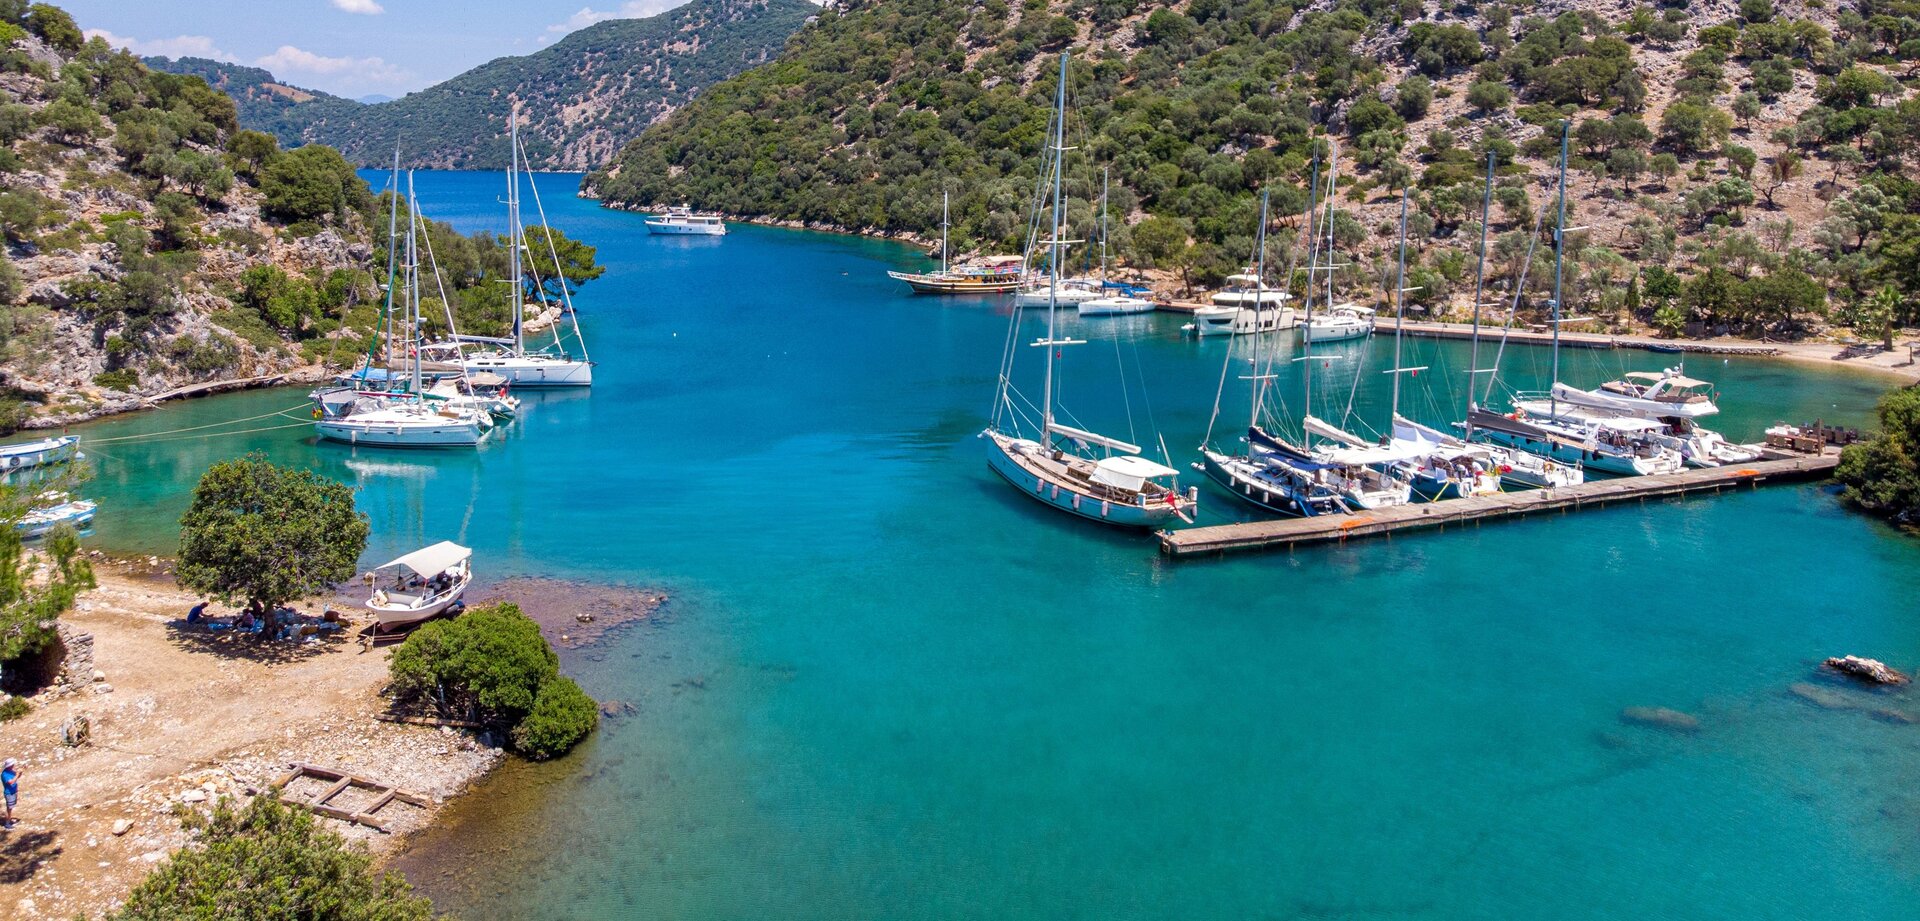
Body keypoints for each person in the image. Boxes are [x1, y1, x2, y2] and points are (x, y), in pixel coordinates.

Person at [3, 758, 19, 829]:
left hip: (13, 792)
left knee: (11, 807)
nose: (14, 765)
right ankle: (7, 823)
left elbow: (16, 777)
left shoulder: (11, 771)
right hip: (9, 793)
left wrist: (20, 773)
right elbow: (11, 782)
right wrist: (17, 775)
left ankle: (9, 820)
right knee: (9, 808)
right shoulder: (5, 774)